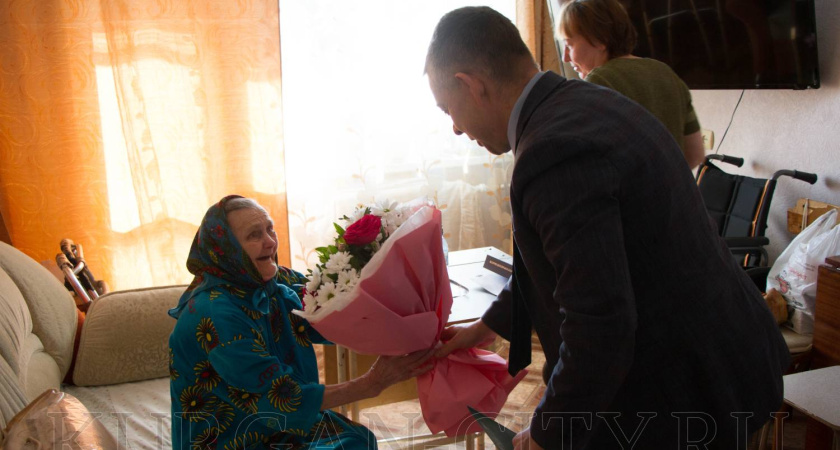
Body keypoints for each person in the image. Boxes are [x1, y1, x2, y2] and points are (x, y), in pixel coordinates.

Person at [425, 6, 789, 450]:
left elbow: (600, 324)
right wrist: (485, 326)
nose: (457, 129)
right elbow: (562, 262)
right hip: (725, 353)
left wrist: (546, 434)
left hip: (686, 387)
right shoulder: (583, 102)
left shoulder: (553, 150)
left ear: (471, 84)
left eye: (449, 110)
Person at [168, 195, 432, 449]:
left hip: (277, 424)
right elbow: (283, 398)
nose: (270, 242)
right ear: (227, 251)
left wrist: (400, 301)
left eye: (270, 229)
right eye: (254, 235)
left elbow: (331, 316)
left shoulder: (273, 278)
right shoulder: (216, 314)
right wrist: (372, 383)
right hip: (233, 436)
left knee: (357, 440)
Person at [556, 0, 705, 169]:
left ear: (599, 39)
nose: (565, 57)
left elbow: (584, 164)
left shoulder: (597, 82)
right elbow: (695, 155)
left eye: (569, 45)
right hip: (674, 193)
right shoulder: (666, 73)